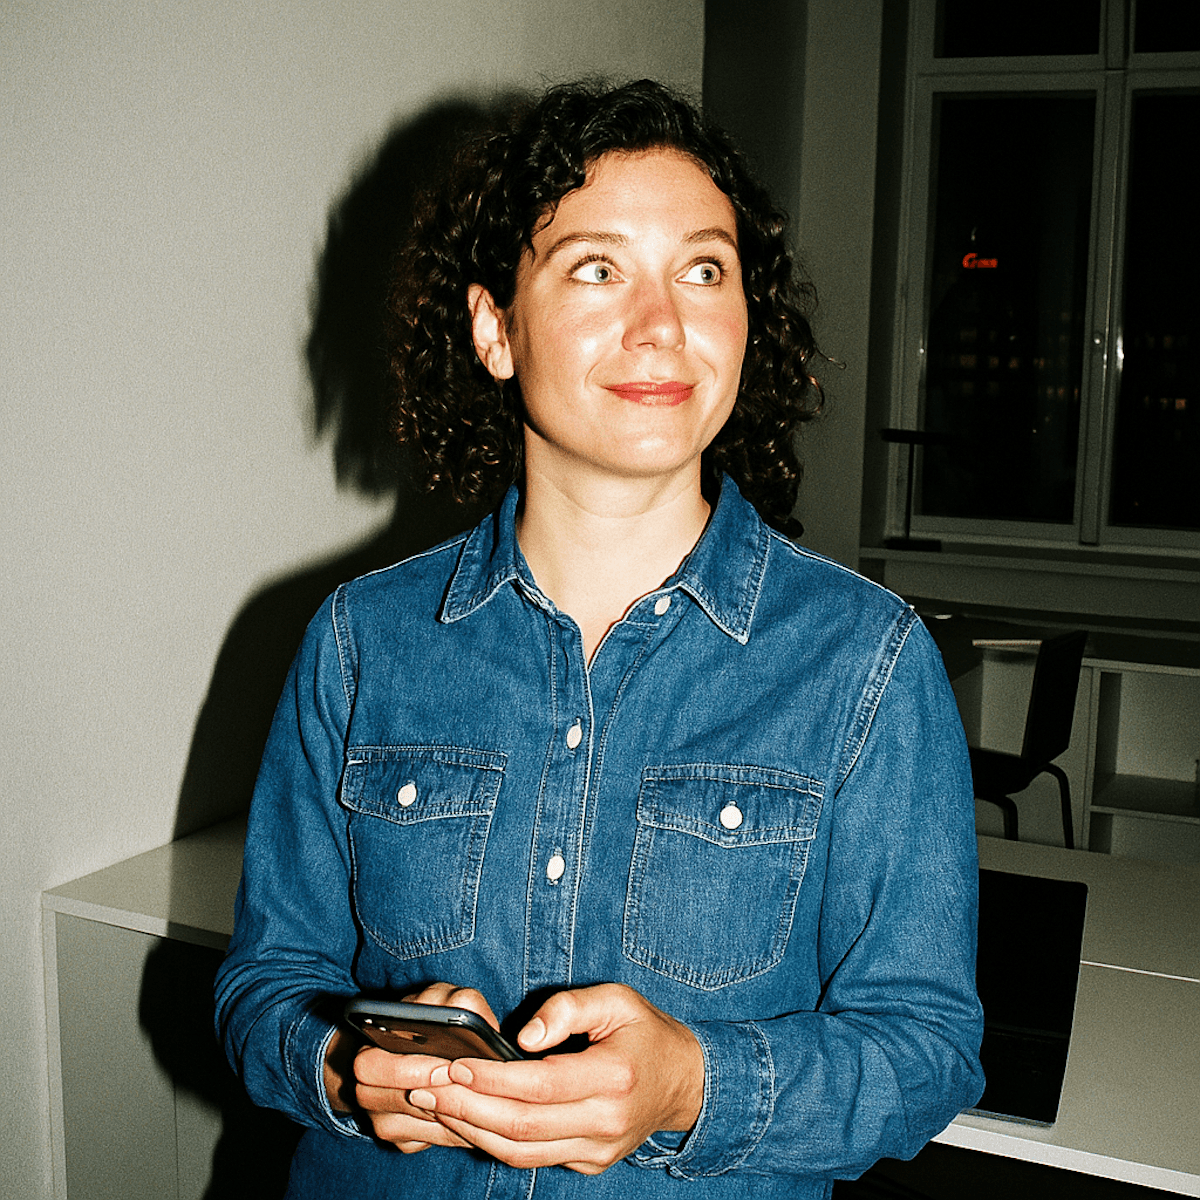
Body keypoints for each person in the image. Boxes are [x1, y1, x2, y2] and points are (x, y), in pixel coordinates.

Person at [215, 78, 984, 1199]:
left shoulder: (866, 664)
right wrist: (340, 1065)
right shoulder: (359, 644)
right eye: (597, 268)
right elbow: (265, 985)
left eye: (704, 271)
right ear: (495, 329)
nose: (662, 323)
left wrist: (694, 1087)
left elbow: (926, 1049)